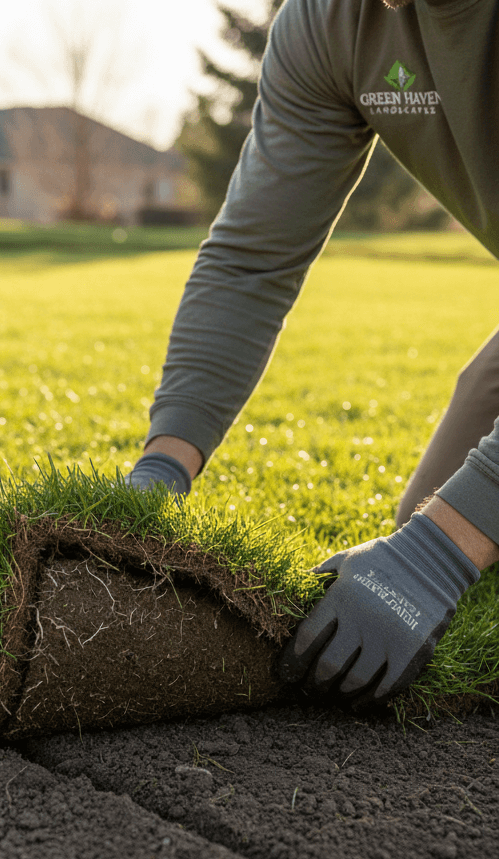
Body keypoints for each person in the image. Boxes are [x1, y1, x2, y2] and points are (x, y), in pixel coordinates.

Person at [126, 0, 499, 707]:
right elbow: (250, 262)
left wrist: (444, 550)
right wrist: (161, 468)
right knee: (430, 515)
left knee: (455, 537)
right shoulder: (331, 22)